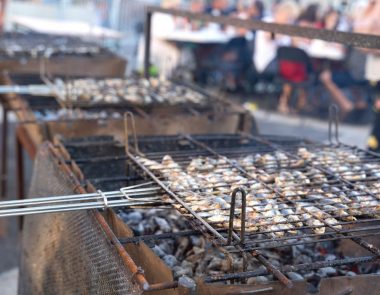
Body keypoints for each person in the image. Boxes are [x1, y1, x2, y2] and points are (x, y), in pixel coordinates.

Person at [354, 0, 380, 152]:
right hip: (375, 72)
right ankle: (373, 149)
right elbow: (361, 39)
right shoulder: (370, 8)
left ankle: (373, 149)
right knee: (377, 112)